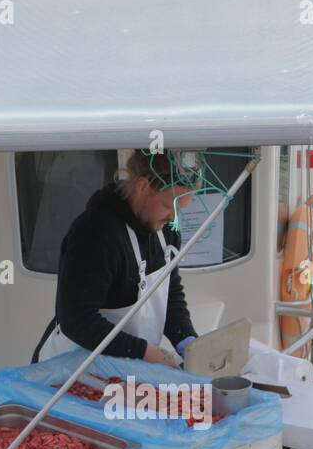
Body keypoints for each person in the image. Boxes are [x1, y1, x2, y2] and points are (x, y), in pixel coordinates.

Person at [31, 149, 201, 365]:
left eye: (180, 209)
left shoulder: (166, 229)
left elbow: (171, 294)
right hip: (73, 367)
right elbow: (77, 320)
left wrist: (186, 340)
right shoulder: (95, 234)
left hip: (126, 367)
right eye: (169, 206)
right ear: (142, 187)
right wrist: (143, 351)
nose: (174, 217)